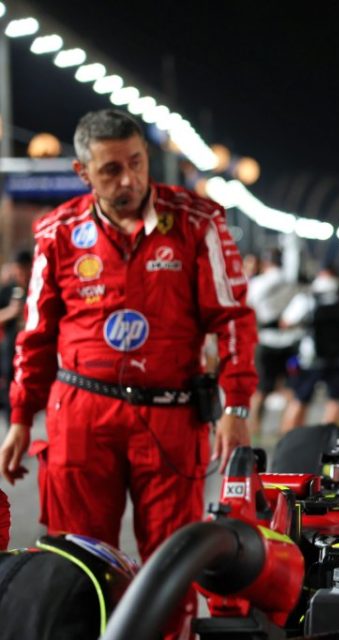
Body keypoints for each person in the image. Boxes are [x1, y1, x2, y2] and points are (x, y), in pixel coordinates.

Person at [0, 109, 256, 626]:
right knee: (75, 562)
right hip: (81, 415)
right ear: (83, 172)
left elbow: (232, 317)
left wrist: (236, 407)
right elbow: (36, 334)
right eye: (111, 169)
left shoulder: (198, 221)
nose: (129, 180)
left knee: (171, 564)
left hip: (170, 414)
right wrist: (22, 418)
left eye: (137, 163)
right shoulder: (57, 230)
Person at [278, 262, 339, 431]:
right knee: (335, 400)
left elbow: (286, 322)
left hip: (311, 357)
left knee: (301, 398)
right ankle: (325, 438)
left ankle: (290, 436)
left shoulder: (308, 296)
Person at [245, 247, 302, 437]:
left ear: (265, 262)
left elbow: (247, 305)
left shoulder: (258, 282)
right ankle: (286, 430)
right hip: (290, 341)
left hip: (266, 340)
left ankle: (254, 429)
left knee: (261, 389)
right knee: (289, 388)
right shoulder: (290, 281)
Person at [0, 250, 32, 418]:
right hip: (11, 346)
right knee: (10, 383)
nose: (21, 274)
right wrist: (11, 312)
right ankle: (11, 420)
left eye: (24, 269)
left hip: (34, 346)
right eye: (18, 269)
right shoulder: (8, 290)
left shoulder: (38, 286)